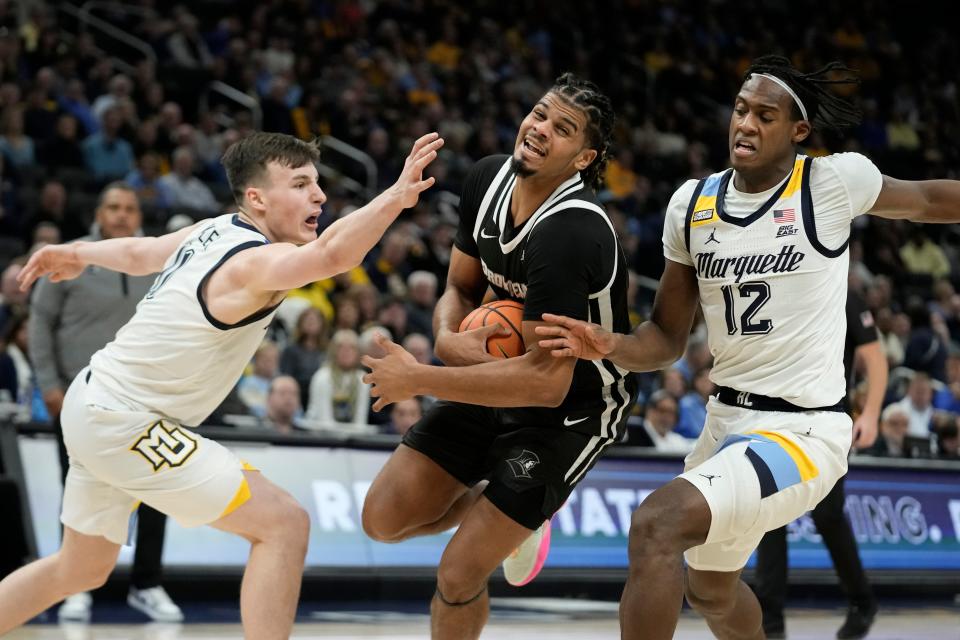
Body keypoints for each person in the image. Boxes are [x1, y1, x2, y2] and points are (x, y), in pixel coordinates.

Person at [533, 55, 960, 639]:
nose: (746, 124)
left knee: (656, 525)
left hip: (803, 432)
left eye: (765, 114)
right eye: (740, 110)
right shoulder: (693, 204)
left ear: (798, 131)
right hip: (724, 422)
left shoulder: (830, 182)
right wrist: (605, 344)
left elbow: (930, 200)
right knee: (709, 589)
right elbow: (664, 340)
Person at [0, 129, 442, 638]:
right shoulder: (253, 261)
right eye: (300, 184)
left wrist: (80, 254)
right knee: (284, 524)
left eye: (317, 183)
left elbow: (144, 253)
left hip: (93, 401)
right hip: (124, 418)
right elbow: (331, 257)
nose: (318, 195)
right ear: (257, 197)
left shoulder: (213, 229)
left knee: (79, 569)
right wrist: (396, 195)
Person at [361, 74, 636, 640]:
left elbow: (544, 383)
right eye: (539, 114)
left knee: (458, 574)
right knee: (381, 521)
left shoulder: (571, 231)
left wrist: (420, 376)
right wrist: (443, 338)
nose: (539, 130)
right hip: (490, 376)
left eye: (562, 129)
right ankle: (510, 513)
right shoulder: (487, 177)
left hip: (571, 409)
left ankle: (520, 516)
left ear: (583, 158)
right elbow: (458, 288)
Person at [27, 183, 183, 623]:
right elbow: (40, 324)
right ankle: (74, 585)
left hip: (150, 401)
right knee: (78, 495)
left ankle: (147, 584)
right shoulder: (76, 257)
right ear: (99, 212)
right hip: (82, 401)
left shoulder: (158, 261)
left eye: (130, 208)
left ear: (139, 217)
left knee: (158, 494)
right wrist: (49, 384)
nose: (121, 215)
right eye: (113, 207)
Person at [754, 288, 886, 639]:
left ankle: (862, 601)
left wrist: (870, 414)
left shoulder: (844, 293)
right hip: (780, 417)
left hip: (830, 421)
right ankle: (770, 620)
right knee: (770, 513)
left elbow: (875, 358)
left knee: (827, 514)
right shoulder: (787, 287)